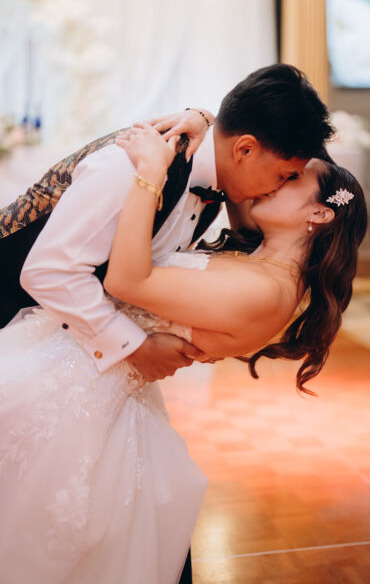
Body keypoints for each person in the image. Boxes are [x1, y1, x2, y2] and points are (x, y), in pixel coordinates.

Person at [0, 63, 335, 583]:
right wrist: (134, 347)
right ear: (245, 150)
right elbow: (47, 271)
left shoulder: (215, 182)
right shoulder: (130, 168)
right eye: (283, 174)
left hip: (91, 365)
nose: (279, 187)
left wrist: (202, 114)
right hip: (22, 331)